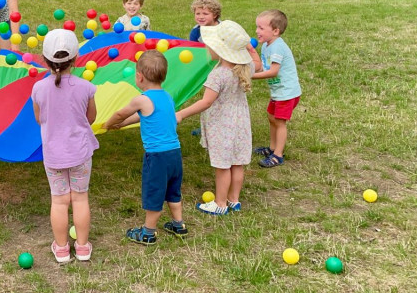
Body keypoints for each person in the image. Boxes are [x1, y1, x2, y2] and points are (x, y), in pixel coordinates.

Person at [104, 50, 187, 244]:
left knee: (154, 192)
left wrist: (109, 124)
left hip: (157, 157)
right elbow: (142, 116)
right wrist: (122, 125)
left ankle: (148, 232)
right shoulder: (167, 96)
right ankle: (179, 224)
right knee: (173, 191)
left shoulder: (141, 99)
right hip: (175, 154)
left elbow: (120, 114)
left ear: (139, 77)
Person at [31, 30, 98, 263]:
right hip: (80, 153)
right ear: (76, 58)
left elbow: (39, 118)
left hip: (53, 156)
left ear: (44, 59)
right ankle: (82, 247)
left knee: (59, 200)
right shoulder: (86, 87)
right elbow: (91, 118)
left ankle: (61, 249)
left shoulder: (38, 88)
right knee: (80, 198)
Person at [176, 21, 254, 215]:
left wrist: (181, 114)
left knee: (223, 166)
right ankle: (233, 200)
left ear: (219, 50)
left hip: (223, 126)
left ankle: (220, 204)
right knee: (237, 163)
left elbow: (206, 102)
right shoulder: (244, 68)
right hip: (240, 124)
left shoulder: (218, 75)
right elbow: (257, 64)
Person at [186, 0, 261, 136]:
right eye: (198, 13)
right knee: (214, 97)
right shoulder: (196, 31)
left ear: (215, 14)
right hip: (210, 67)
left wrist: (180, 114)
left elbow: (236, 43)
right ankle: (209, 124)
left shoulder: (225, 29)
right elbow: (194, 50)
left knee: (216, 98)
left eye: (205, 13)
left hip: (226, 65)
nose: (201, 16)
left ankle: (213, 125)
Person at [252, 9, 302, 168]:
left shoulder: (277, 47)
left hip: (287, 93)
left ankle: (278, 155)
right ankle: (272, 148)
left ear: (275, 31)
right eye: (257, 27)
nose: (257, 31)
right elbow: (263, 67)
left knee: (279, 122)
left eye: (261, 28)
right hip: (278, 92)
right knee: (271, 117)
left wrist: (250, 76)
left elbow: (273, 72)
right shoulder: (266, 46)